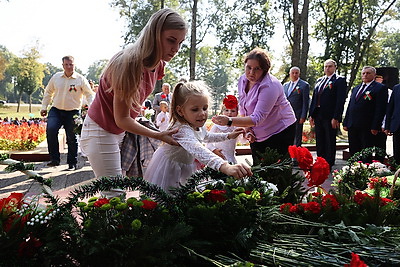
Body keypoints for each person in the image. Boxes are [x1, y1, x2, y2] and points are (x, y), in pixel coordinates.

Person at [80, 8, 187, 188]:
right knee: (114, 194)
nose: (176, 49)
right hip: (100, 131)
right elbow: (121, 119)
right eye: (171, 40)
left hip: (119, 132)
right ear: (154, 34)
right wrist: (158, 134)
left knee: (117, 193)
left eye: (180, 43)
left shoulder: (159, 64)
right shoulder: (128, 64)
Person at [144, 81, 252, 191]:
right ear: (180, 111)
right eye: (195, 109)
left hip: (185, 165)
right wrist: (225, 166)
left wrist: (228, 136)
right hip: (170, 169)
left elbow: (206, 136)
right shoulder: (181, 129)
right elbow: (198, 149)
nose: (202, 113)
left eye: (205, 108)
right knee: (167, 198)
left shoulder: (195, 124)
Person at [212, 48, 296, 165]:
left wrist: (229, 121)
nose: (251, 72)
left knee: (275, 170)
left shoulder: (270, 86)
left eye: (257, 69)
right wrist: (248, 130)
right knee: (258, 168)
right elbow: (243, 107)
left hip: (279, 130)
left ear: (264, 70)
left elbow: (257, 118)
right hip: (258, 131)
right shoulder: (242, 80)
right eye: (249, 67)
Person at [40, 55, 95, 170]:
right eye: (66, 65)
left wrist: (92, 107)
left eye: (71, 64)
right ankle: (54, 159)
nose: (69, 67)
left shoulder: (80, 79)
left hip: (73, 112)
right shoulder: (56, 77)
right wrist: (44, 107)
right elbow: (48, 92)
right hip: (56, 110)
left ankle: (72, 163)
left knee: (72, 137)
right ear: (63, 65)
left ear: (74, 65)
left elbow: (89, 94)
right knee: (51, 129)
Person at [308, 59, 347, 167]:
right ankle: (320, 160)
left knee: (329, 139)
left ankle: (329, 162)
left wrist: (336, 117)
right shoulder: (320, 80)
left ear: (335, 67)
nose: (327, 68)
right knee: (320, 139)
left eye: (330, 66)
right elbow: (314, 98)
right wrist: (311, 115)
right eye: (325, 66)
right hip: (318, 114)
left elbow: (340, 100)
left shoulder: (339, 80)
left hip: (330, 115)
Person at [343, 66, 388, 158]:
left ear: (374, 75)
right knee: (354, 151)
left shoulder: (379, 88)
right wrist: (346, 122)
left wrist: (376, 126)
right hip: (353, 125)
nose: (365, 75)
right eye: (363, 73)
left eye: (368, 73)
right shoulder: (356, 88)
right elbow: (351, 106)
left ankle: (365, 169)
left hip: (367, 126)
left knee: (365, 152)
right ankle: (354, 169)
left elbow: (380, 109)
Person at [206, 95, 240, 164]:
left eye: (233, 111)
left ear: (237, 113)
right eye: (226, 110)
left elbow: (242, 139)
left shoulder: (236, 126)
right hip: (220, 155)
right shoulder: (218, 126)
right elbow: (208, 140)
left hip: (231, 156)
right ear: (222, 112)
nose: (229, 113)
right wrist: (214, 150)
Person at [283, 66, 310, 147]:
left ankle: (295, 156)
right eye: (293, 73)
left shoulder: (304, 85)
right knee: (287, 135)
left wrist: (303, 116)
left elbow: (306, 102)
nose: (294, 74)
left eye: (296, 73)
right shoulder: (285, 85)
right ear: (289, 74)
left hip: (297, 115)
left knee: (297, 135)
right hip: (286, 115)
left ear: (299, 74)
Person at [385, 83, 400, 164]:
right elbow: (390, 107)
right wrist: (387, 126)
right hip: (397, 126)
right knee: (397, 154)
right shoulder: (397, 88)